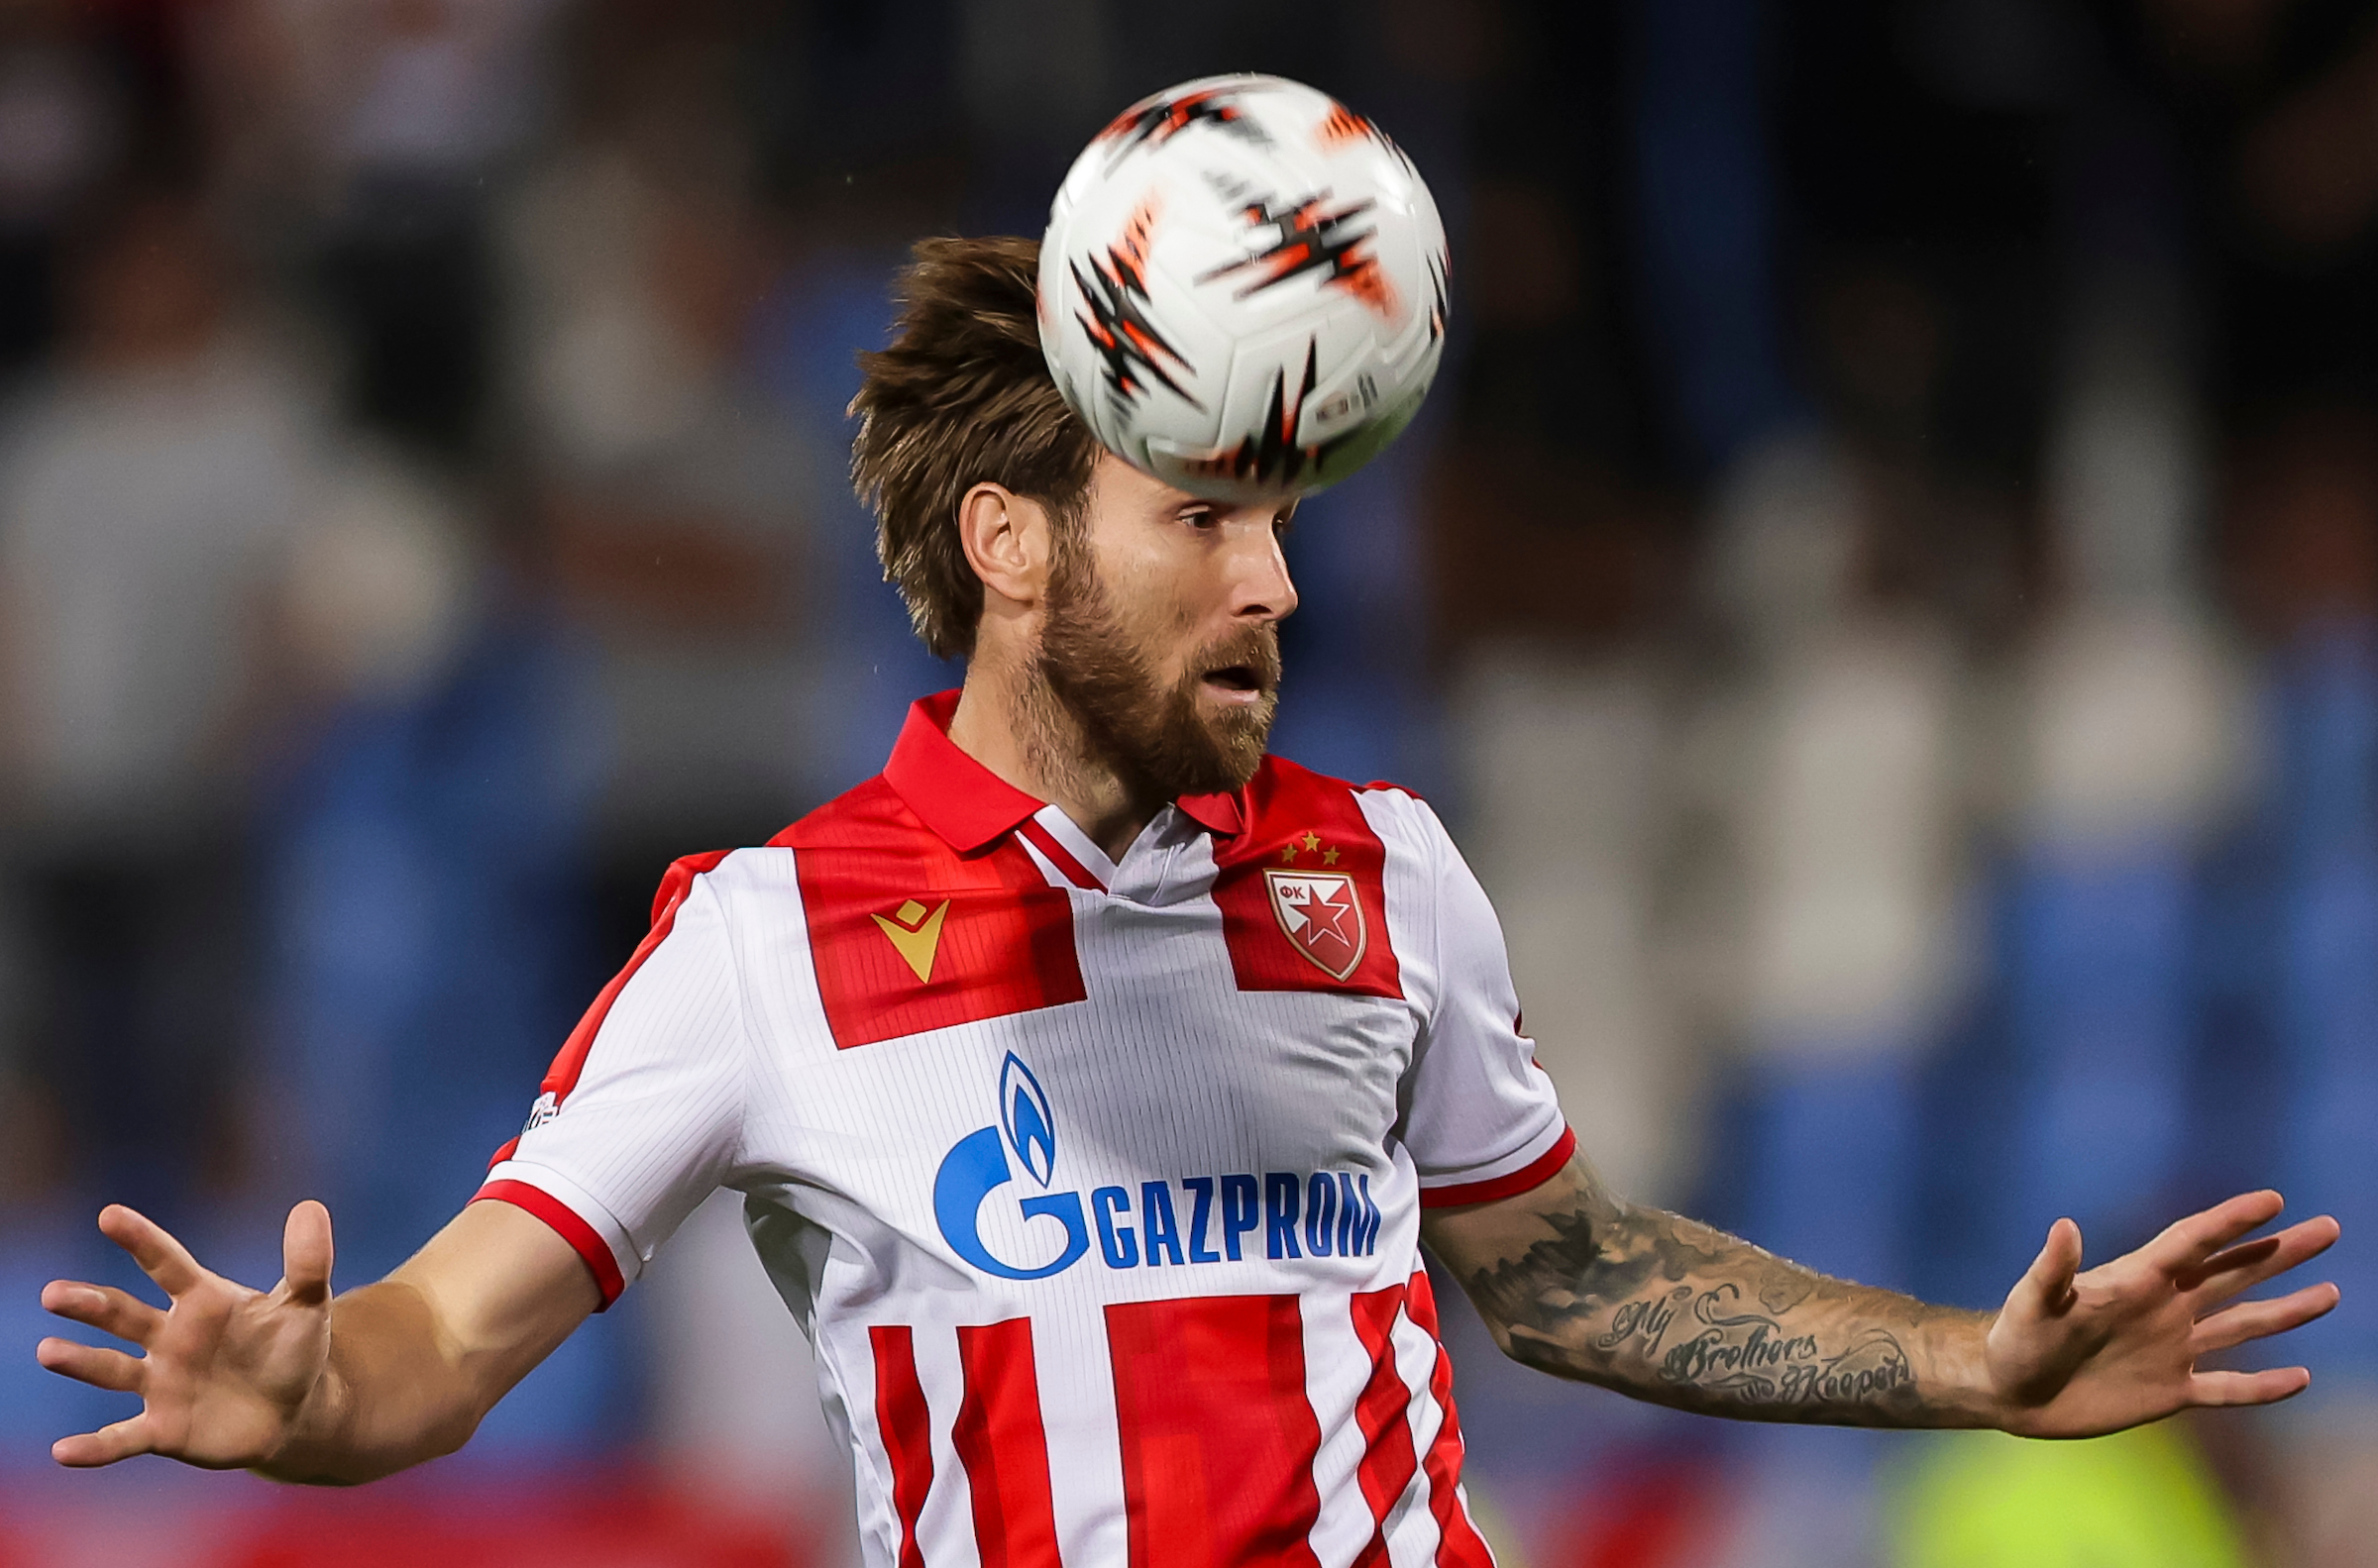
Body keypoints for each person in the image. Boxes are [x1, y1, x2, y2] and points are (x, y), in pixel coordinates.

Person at [34, 238, 2340, 1565]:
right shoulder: (761, 941)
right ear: (1010, 550)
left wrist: (1969, 1361)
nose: (1278, 581)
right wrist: (310, 1388)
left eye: (1280, 520)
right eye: (1201, 525)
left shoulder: (1381, 868)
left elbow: (1568, 1274)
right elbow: (444, 1342)